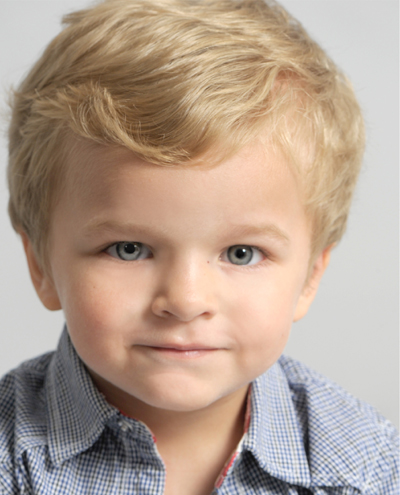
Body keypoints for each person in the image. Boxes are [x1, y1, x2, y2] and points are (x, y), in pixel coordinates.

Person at [1, 0, 398, 493]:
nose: (186, 301)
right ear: (40, 263)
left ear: (310, 276)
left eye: (241, 253)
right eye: (129, 249)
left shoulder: (367, 467)